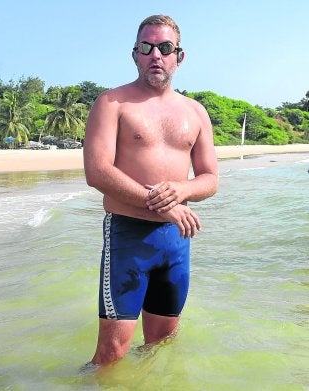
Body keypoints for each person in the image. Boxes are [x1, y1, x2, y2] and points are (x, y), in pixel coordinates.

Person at [83, 14, 219, 368]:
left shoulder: (196, 113)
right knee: (111, 356)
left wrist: (182, 188)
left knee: (162, 345)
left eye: (164, 47)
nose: (155, 54)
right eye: (147, 47)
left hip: (176, 241)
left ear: (179, 56)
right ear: (135, 55)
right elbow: (97, 172)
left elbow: (209, 178)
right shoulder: (112, 103)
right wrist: (162, 204)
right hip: (128, 238)